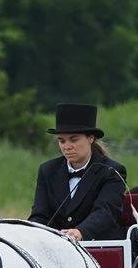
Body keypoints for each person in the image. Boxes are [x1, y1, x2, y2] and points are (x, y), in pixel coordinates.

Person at [29, 103, 127, 241]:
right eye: (61, 141)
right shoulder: (47, 170)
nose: (67, 147)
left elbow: (105, 212)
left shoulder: (111, 171)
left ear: (90, 138)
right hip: (56, 246)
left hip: (97, 246)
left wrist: (80, 232)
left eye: (73, 140)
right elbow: (40, 214)